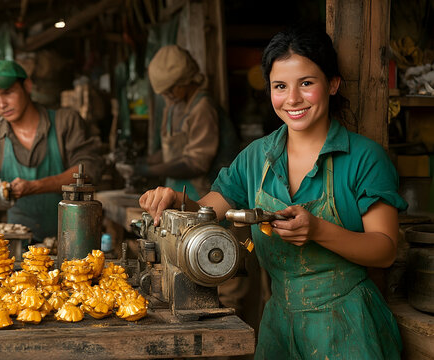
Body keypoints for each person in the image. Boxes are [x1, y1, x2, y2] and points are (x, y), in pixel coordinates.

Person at [139, 24, 406, 359]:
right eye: (280, 86)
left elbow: (385, 250)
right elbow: (206, 212)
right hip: (279, 324)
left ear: (333, 84)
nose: (292, 99)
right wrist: (176, 202)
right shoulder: (256, 158)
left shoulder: (365, 158)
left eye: (306, 83)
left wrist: (318, 230)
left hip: (349, 327)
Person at [0, 60, 103, 243]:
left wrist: (34, 187)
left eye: (7, 93)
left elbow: (88, 169)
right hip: (15, 246)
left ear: (27, 86)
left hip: (71, 239)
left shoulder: (65, 122)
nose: (1, 104)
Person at [137, 45, 237, 201]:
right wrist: (144, 161)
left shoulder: (203, 107)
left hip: (201, 196)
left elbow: (196, 164)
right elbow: (172, 150)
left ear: (182, 82)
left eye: (169, 91)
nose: (167, 97)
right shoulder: (173, 106)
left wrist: (151, 170)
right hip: (175, 194)